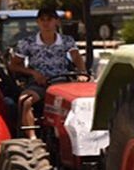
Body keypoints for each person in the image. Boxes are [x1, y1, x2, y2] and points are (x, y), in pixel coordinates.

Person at [8, 7, 86, 139]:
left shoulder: (67, 41)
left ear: (56, 22)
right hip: (39, 84)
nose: (46, 23)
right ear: (37, 22)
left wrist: (82, 72)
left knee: (80, 102)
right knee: (25, 101)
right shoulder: (27, 43)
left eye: (49, 19)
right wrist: (33, 73)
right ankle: (32, 138)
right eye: (42, 20)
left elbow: (76, 58)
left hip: (62, 83)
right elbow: (14, 65)